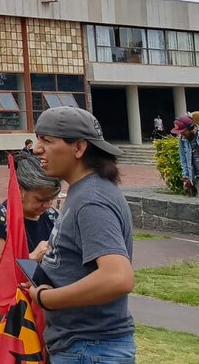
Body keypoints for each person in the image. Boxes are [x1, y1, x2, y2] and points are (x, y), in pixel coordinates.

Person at [29, 106, 135, 363]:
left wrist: (47, 298)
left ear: (78, 148)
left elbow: (117, 278)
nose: (36, 149)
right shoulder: (85, 191)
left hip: (90, 349)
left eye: (47, 140)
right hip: (83, 347)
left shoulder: (92, 200)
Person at [0, 151, 61, 335]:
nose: (46, 205)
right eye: (40, 199)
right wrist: (31, 258)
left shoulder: (52, 217)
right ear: (19, 190)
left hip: (44, 298)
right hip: (8, 301)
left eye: (50, 199)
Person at [172, 111, 199, 252]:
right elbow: (184, 159)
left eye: (183, 131)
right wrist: (187, 177)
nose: (181, 134)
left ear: (192, 127)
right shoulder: (183, 140)